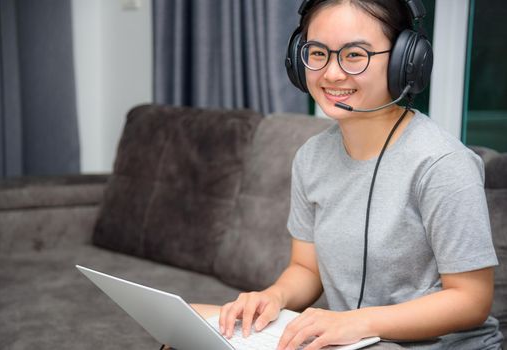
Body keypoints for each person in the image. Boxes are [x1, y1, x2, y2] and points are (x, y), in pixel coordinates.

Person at [208, 0, 505, 349]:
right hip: (360, 342)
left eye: (354, 55)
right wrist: (273, 297)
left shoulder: (443, 163)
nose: (331, 73)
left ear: (404, 62)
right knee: (195, 332)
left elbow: (471, 300)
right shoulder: (311, 157)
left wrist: (355, 322)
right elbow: (306, 269)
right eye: (317, 53)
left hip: (444, 346)